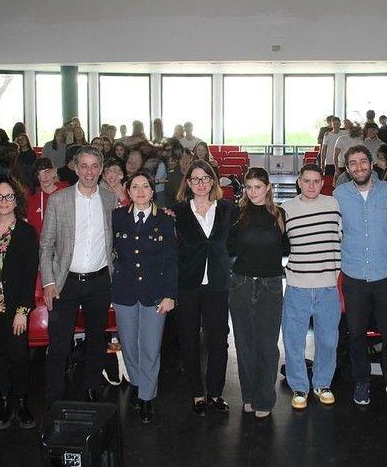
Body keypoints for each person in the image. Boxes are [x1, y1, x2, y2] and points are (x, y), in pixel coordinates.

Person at [40, 146, 116, 405]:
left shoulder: (109, 198)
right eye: (84, 165)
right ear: (74, 167)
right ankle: (54, 396)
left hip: (99, 282)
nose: (89, 171)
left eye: (95, 166)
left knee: (97, 339)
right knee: (60, 343)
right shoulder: (59, 200)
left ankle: (92, 385)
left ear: (101, 169)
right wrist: (49, 282)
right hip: (65, 283)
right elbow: (46, 244)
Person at [333, 145, 387, 406]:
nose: (359, 167)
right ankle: (361, 381)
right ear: (347, 167)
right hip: (354, 275)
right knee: (357, 333)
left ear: (372, 164)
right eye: (353, 163)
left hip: (385, 274)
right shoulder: (339, 194)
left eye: (363, 162)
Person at [171, 160, 237, 415]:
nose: (200, 183)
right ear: (188, 183)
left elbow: (234, 243)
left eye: (205, 178)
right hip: (187, 284)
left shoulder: (227, 209)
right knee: (188, 340)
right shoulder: (176, 212)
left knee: (219, 340)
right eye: (195, 179)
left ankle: (215, 393)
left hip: (218, 284)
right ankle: (197, 393)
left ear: (213, 181)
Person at [111, 172, 177, 423]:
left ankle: (147, 396)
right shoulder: (117, 217)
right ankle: (138, 383)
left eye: (145, 186)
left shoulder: (166, 221)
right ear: (128, 191)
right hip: (124, 292)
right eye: (135, 187)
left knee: (150, 347)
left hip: (155, 293)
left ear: (152, 191)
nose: (140, 191)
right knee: (129, 345)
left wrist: (169, 294)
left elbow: (171, 261)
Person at [0, 177, 39, 430]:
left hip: (15, 309)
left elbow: (28, 273)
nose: (4, 201)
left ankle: (22, 401)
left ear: (17, 200)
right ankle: (3, 400)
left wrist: (23, 311)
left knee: (19, 355)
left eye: (9, 196)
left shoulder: (26, 233)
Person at [228, 167, 288, 419]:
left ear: (268, 188)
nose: (253, 192)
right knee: (244, 345)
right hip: (241, 284)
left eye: (258, 187)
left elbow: (286, 248)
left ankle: (265, 398)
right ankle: (249, 396)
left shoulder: (279, 214)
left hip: (271, 286)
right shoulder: (236, 213)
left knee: (267, 346)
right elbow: (229, 247)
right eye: (248, 187)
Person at [282, 164, 342, 411]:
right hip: (297, 286)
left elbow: (341, 238)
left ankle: (322, 384)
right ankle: (299, 386)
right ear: (298, 182)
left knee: (328, 340)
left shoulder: (333, 205)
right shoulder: (285, 210)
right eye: (306, 181)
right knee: (293, 341)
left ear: (322, 183)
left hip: (328, 286)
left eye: (316, 181)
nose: (311, 186)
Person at [27, 158, 68, 237]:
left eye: (47, 172)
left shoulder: (67, 194)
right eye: (39, 174)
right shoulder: (33, 201)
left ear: (55, 171)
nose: (44, 177)